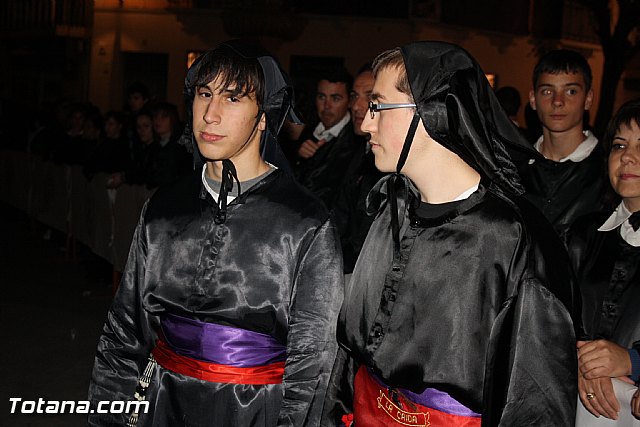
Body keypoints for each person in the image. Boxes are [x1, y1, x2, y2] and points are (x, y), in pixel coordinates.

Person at [321, 41, 579, 426]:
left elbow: (535, 404)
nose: (365, 123)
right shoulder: (391, 212)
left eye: (379, 106)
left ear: (432, 111)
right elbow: (350, 360)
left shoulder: (513, 240)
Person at [88, 40, 344, 426]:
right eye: (204, 94)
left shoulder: (303, 221)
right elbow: (125, 333)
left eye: (233, 98)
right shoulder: (165, 208)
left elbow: (315, 362)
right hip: (162, 405)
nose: (210, 114)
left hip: (254, 412)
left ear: (264, 116)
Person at [567, 99, 640, 423]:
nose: (627, 156)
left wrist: (633, 361)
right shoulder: (582, 235)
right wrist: (581, 360)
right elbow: (552, 314)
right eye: (619, 144)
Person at [516, 49, 607, 240]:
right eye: (547, 91)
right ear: (533, 99)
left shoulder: (608, 171)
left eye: (571, 91)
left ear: (588, 98)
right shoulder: (513, 168)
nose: (558, 101)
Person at [332, 64, 385, 273]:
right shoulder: (357, 148)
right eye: (354, 96)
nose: (356, 106)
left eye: (370, 97)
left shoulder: (391, 163)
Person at [294, 67, 358, 208]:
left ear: (349, 102)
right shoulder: (309, 131)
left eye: (335, 98)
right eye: (321, 97)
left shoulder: (356, 142)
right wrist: (298, 158)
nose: (326, 106)